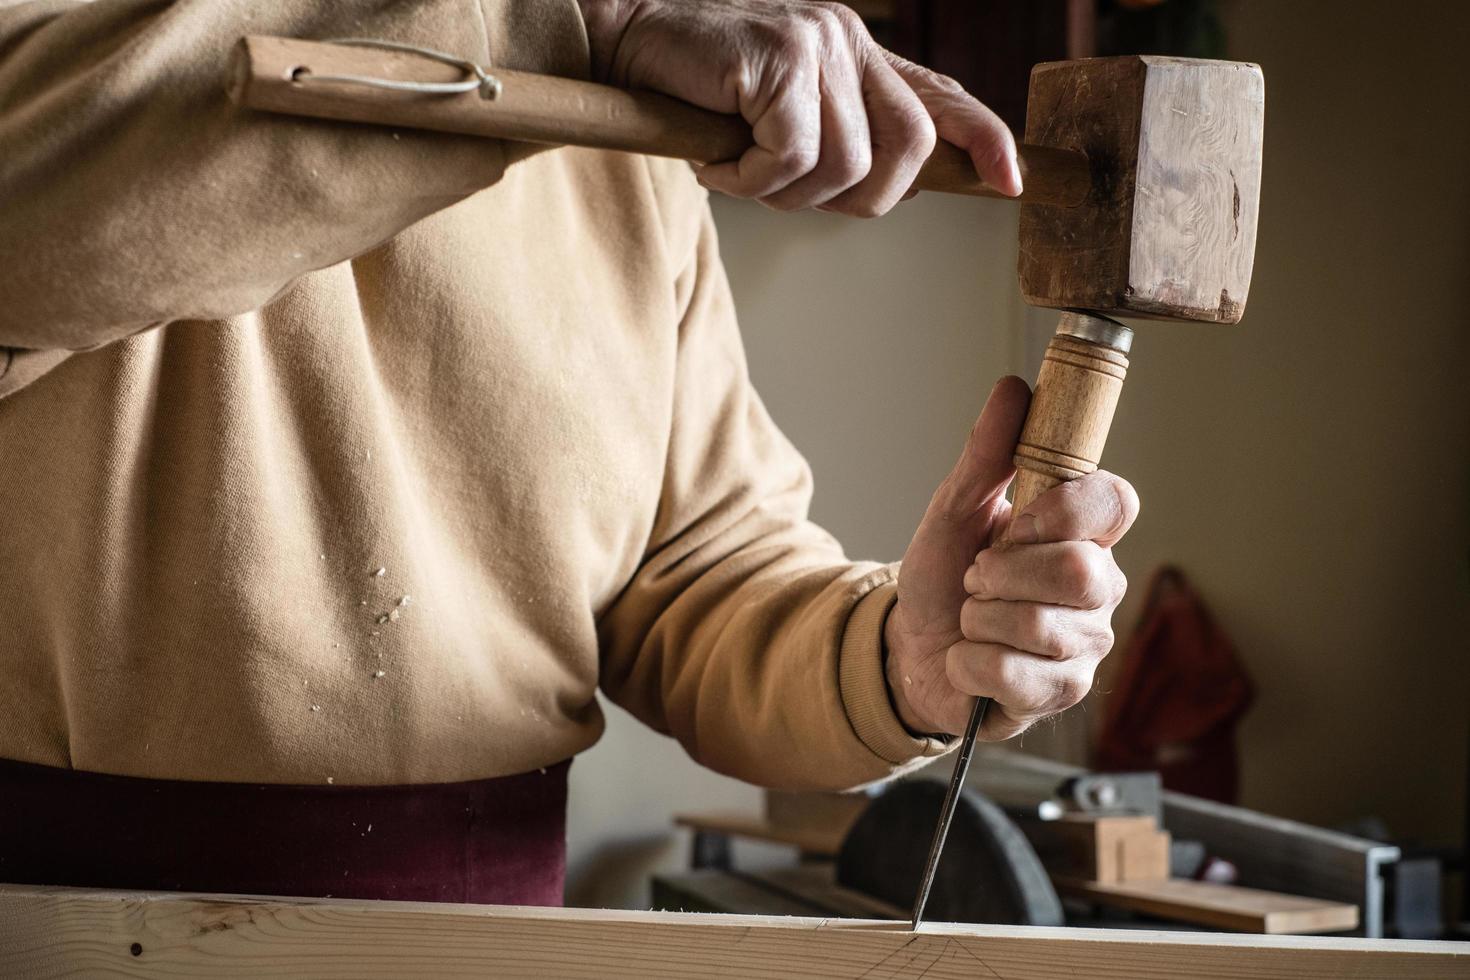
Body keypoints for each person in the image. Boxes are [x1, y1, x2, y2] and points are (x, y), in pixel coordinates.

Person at [0, 0, 1136, 904]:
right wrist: (569, 21)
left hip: (499, 933)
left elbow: (693, 569)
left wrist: (897, 658)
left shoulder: (620, 114)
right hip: (67, 927)